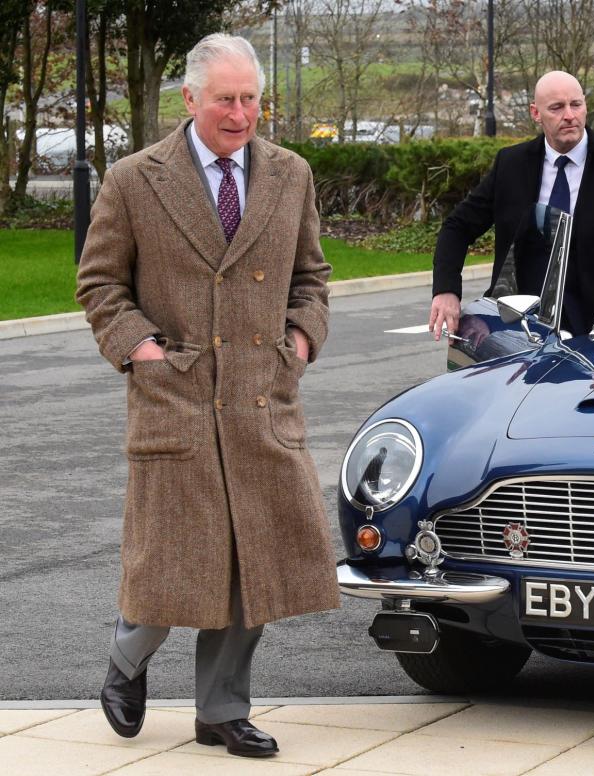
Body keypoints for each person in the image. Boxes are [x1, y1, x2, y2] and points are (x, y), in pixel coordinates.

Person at [75, 33, 338, 759]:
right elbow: (99, 285)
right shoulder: (135, 179)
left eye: (250, 98)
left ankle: (222, 710)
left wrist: (301, 343)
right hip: (176, 399)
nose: (240, 112)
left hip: (261, 399)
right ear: (189, 99)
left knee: (253, 561)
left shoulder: (291, 174)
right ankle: (127, 663)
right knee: (170, 564)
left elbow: (312, 279)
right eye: (225, 98)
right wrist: (143, 350)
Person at [429, 70, 594, 338]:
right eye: (557, 108)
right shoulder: (510, 166)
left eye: (576, 104)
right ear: (536, 113)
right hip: (519, 330)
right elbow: (458, 226)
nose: (569, 115)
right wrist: (446, 290)